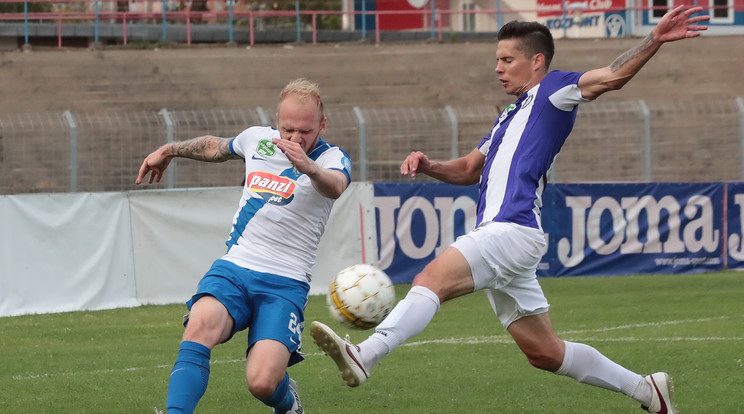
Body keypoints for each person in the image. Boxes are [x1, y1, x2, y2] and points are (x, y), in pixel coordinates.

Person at [310, 6, 708, 414]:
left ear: (536, 61)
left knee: (432, 279)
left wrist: (654, 39)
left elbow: (612, 76)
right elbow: (468, 169)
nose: (498, 68)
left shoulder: (554, 88)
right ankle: (647, 391)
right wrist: (430, 165)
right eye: (497, 60)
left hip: (510, 229)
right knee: (545, 353)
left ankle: (367, 353)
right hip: (509, 236)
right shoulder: (507, 118)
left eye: (507, 60)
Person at [136, 78, 352, 414]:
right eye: (288, 128)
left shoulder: (332, 157)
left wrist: (308, 167)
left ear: (322, 125)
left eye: (305, 131)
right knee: (199, 325)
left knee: (262, 382)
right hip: (236, 267)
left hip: (285, 282)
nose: (294, 138)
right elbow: (216, 146)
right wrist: (168, 150)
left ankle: (288, 400)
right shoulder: (259, 139)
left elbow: (336, 186)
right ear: (276, 120)